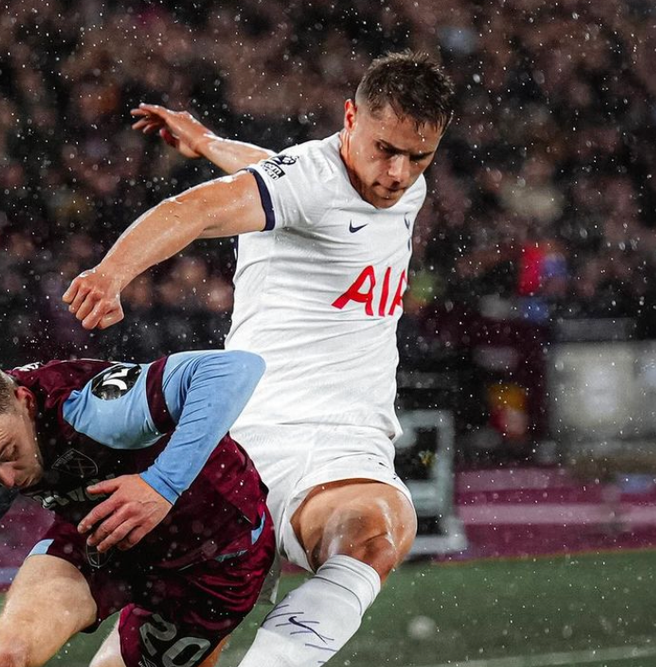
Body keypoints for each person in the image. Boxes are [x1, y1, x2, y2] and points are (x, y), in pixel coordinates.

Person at [63, 51, 456, 667]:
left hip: (343, 449)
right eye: (385, 150)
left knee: (374, 534)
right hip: (241, 445)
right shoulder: (309, 178)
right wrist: (112, 274)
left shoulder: (395, 184)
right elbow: (193, 210)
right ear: (349, 118)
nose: (398, 174)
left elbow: (266, 170)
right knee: (158, 655)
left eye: (419, 156)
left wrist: (210, 141)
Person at [0, 349, 274, 667]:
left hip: (214, 562)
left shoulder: (94, 407)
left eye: (6, 453)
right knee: (4, 655)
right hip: (99, 539)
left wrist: (162, 484)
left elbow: (234, 368)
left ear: (25, 401)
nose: (8, 481)